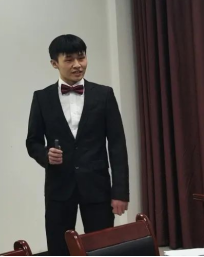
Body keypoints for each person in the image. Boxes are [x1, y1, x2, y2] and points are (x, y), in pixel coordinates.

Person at [26, 35, 129, 256]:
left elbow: (117, 145)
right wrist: (46, 155)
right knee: (59, 249)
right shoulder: (42, 98)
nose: (77, 65)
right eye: (69, 59)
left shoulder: (104, 95)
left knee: (102, 249)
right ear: (54, 63)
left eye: (81, 58)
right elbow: (32, 141)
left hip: (97, 186)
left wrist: (120, 192)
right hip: (59, 188)